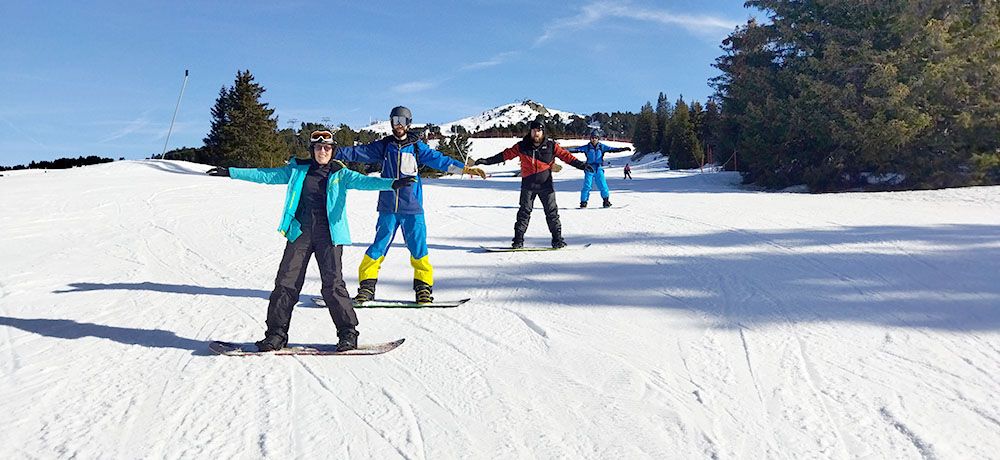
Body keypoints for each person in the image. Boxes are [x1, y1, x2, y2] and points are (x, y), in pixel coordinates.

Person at [206, 130, 413, 352]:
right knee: (286, 284)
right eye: (318, 147)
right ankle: (276, 335)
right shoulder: (297, 170)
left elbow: (365, 182)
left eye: (327, 148)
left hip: (330, 236)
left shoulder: (341, 173)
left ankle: (347, 334)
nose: (322, 151)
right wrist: (231, 172)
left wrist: (392, 184)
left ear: (333, 151)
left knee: (333, 286)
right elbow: (265, 175)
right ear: (312, 150)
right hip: (300, 233)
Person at [334, 106, 486, 304]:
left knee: (418, 247)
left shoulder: (416, 147)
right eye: (395, 120)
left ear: (409, 123)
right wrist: (334, 152)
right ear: (390, 123)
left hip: (412, 207)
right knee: (378, 247)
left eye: (403, 121)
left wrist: (464, 169)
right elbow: (358, 152)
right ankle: (366, 288)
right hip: (388, 206)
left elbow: (439, 160)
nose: (399, 125)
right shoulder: (384, 146)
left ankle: (423, 289)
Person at [474, 120, 591, 249]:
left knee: (552, 213)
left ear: (543, 132)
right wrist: (487, 161)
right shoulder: (522, 146)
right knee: (524, 213)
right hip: (528, 186)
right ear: (530, 131)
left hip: (546, 186)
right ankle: (518, 241)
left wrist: (582, 166)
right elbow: (505, 155)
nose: (536, 133)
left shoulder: (551, 146)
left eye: (539, 130)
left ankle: (557, 240)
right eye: (534, 130)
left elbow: (566, 156)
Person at [566, 129, 631, 208]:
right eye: (592, 138)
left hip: (599, 168)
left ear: (598, 138)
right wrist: (564, 151)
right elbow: (576, 149)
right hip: (589, 168)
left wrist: (623, 149)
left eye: (595, 138)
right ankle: (583, 202)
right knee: (587, 185)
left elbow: (612, 149)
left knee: (602, 185)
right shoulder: (587, 147)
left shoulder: (601, 147)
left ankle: (606, 201)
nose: (594, 140)